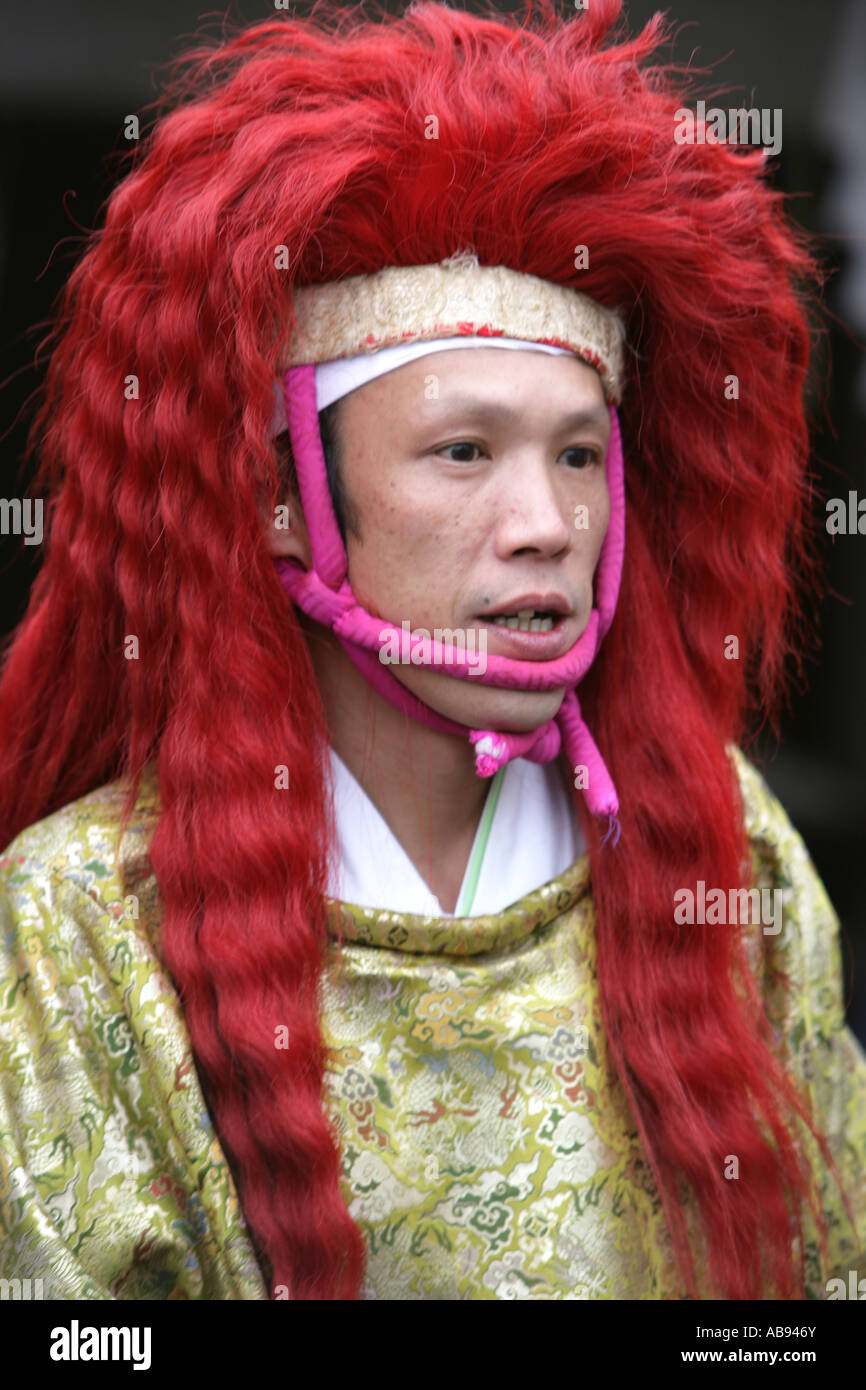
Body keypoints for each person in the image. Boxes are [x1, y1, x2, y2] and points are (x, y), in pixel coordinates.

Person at [0, 0, 863, 1302]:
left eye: (578, 453)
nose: (544, 525)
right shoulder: (78, 918)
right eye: (463, 451)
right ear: (283, 498)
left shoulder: (725, 852)